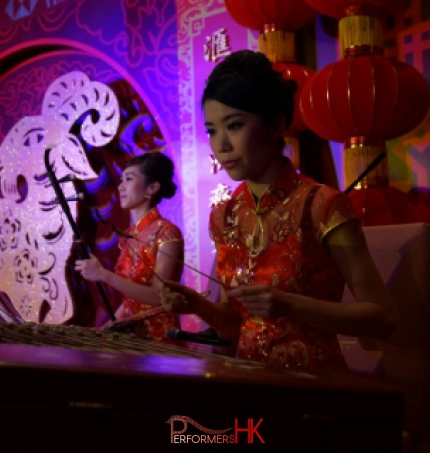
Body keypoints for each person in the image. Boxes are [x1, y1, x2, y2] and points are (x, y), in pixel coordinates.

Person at [160, 49, 397, 369]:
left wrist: (291, 305)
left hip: (315, 393)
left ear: (276, 125)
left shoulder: (321, 205)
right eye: (213, 130)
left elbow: (382, 318)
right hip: (253, 390)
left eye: (234, 125)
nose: (221, 145)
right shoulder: (225, 217)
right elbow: (240, 325)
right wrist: (197, 305)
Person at [75, 152, 184, 342]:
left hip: (160, 340)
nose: (120, 187)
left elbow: (159, 298)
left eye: (129, 179)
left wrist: (104, 275)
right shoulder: (128, 236)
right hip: (134, 338)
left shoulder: (167, 233)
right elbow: (130, 303)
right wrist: (104, 329)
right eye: (121, 180)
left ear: (152, 187)